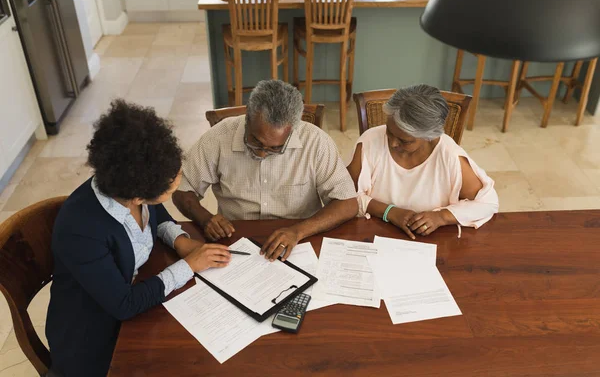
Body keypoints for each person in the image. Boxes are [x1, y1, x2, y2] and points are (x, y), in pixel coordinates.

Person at [46, 100, 231, 377]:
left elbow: (155, 213)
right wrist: (189, 266)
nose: (176, 188)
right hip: (94, 338)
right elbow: (124, 305)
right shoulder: (81, 231)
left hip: (134, 302)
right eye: (170, 190)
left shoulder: (127, 184)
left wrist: (180, 240)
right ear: (136, 197)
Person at [173, 80, 357, 261]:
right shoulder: (219, 138)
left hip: (300, 240)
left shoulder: (316, 142)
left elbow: (347, 203)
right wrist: (204, 218)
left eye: (276, 148)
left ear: (293, 129)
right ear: (247, 118)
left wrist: (298, 231)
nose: (262, 153)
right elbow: (182, 189)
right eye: (255, 142)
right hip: (235, 240)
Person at [347, 84, 499, 239]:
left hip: (431, 240)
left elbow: (488, 203)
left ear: (429, 136)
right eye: (389, 132)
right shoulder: (370, 142)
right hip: (374, 234)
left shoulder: (449, 156)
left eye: (404, 141)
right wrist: (389, 211)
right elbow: (346, 197)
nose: (392, 144)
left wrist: (441, 217)